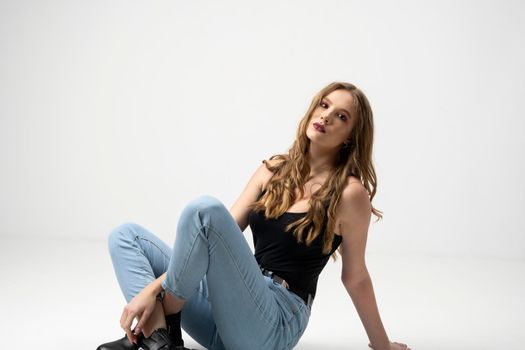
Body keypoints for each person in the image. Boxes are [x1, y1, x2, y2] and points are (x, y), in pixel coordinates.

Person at [96, 82, 412, 350]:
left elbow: (355, 276)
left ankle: (158, 326)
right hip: (226, 309)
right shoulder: (273, 170)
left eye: (340, 116)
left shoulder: (349, 193)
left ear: (350, 136)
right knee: (126, 235)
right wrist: (156, 290)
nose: (326, 116)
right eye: (323, 105)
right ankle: (161, 340)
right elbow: (204, 243)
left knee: (204, 209)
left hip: (273, 321)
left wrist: (382, 346)